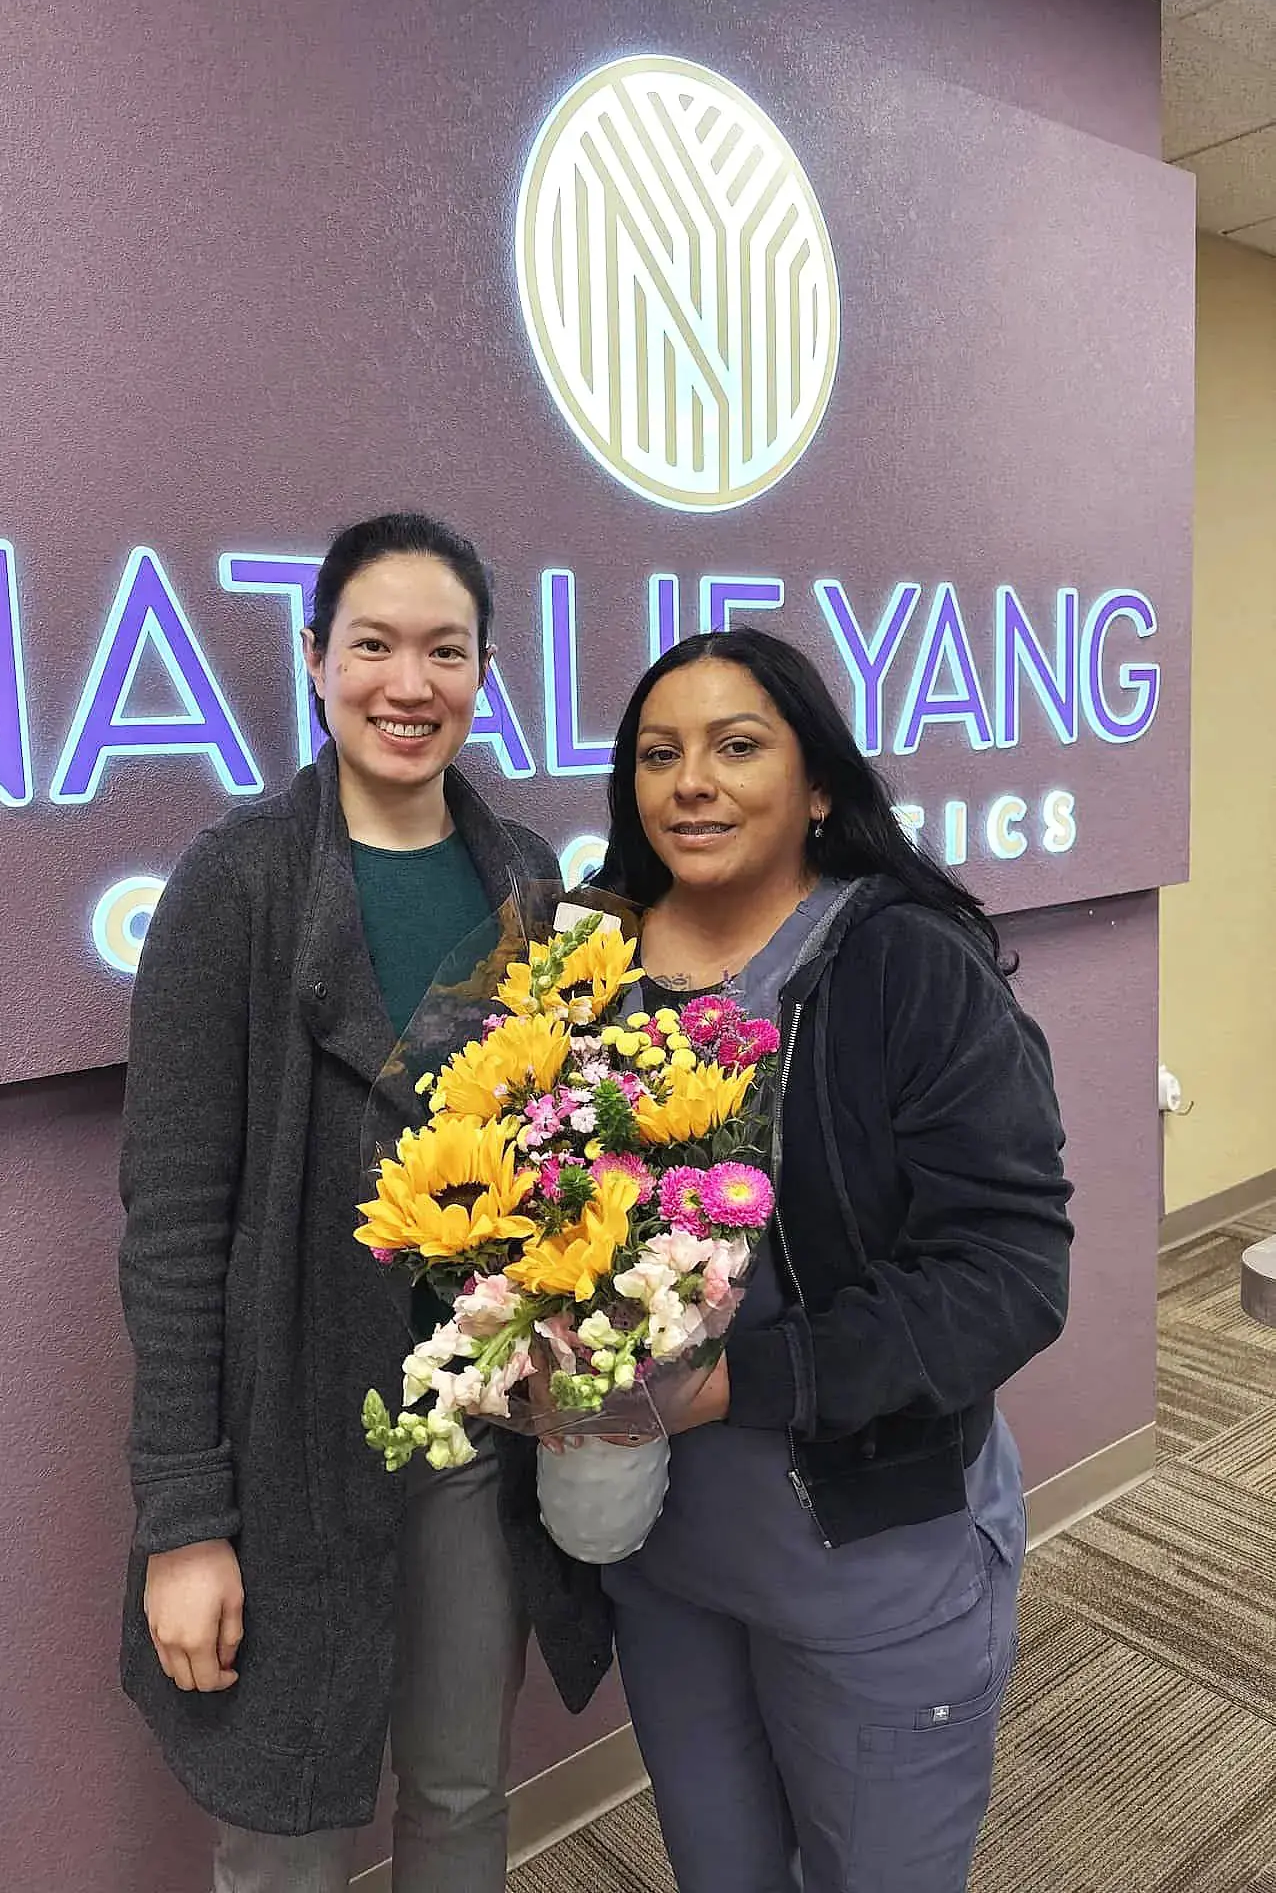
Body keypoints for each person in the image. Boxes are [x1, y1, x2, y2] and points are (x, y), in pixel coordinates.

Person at [117, 513, 611, 1893]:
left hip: (470, 1436)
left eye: (445, 651)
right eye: (375, 645)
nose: (411, 683)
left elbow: (556, 1158)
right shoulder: (238, 883)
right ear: (315, 659)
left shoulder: (524, 876)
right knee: (289, 1830)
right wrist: (183, 1522)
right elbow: (169, 1229)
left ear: (485, 670)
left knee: (459, 1792)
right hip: (289, 1453)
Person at [591, 627, 1073, 1893]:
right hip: (662, 1552)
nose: (690, 780)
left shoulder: (904, 962)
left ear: (817, 785)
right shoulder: (586, 970)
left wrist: (730, 1385)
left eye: (736, 745)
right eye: (658, 753)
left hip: (868, 1548)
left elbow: (1011, 1272)